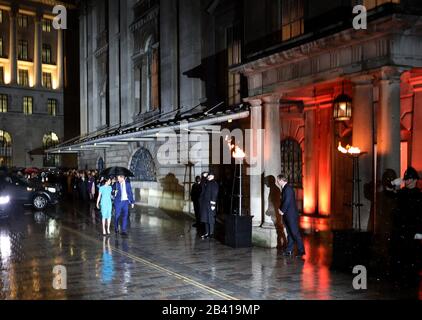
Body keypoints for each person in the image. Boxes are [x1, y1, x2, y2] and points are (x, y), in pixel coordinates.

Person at [391, 166, 422, 286]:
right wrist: (393, 183)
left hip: (411, 229)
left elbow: (420, 215)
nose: (407, 181)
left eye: (409, 179)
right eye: (406, 179)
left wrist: (419, 231)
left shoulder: (419, 195)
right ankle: (399, 278)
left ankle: (411, 279)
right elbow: (388, 192)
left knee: (411, 255)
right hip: (399, 228)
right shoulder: (402, 193)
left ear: (415, 180)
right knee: (399, 253)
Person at [276, 175, 305, 258]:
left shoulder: (288, 189)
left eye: (277, 180)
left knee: (295, 233)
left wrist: (282, 210)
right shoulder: (285, 188)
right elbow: (284, 200)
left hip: (291, 215)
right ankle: (289, 250)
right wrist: (281, 209)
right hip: (288, 215)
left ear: (281, 180)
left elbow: (287, 201)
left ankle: (301, 250)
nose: (277, 182)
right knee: (290, 233)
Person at [200, 171, 219, 239]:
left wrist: (213, 204)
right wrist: (203, 177)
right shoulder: (207, 183)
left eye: (210, 175)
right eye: (208, 176)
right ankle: (207, 233)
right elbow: (201, 185)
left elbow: (214, 194)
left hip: (210, 203)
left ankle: (211, 233)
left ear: (213, 176)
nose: (208, 176)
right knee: (205, 219)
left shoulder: (214, 183)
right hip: (205, 203)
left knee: (210, 219)